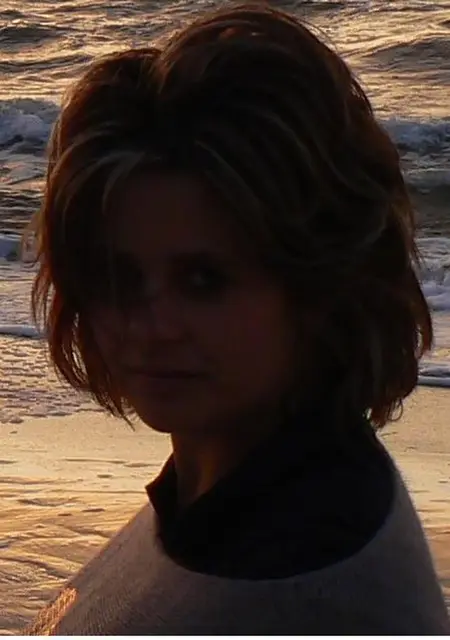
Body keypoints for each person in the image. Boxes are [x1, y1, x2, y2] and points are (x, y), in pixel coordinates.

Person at [24, 3, 449, 635]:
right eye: (119, 278)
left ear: (320, 283)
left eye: (204, 281)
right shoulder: (217, 496)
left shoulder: (304, 575)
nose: (151, 326)